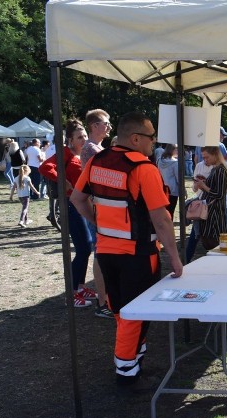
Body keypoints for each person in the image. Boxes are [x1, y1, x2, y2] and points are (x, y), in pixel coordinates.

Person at [72, 111, 184, 384]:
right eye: (151, 138)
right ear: (135, 138)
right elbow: (162, 218)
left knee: (122, 310)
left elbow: (77, 198)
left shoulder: (96, 161)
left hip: (106, 252)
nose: (153, 143)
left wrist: (98, 222)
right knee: (134, 313)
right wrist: (176, 259)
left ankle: (134, 359)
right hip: (138, 255)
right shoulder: (143, 168)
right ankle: (127, 371)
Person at [39, 119, 97, 308]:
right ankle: (71, 293)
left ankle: (79, 287)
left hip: (83, 203)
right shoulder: (66, 153)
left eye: (85, 136)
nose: (83, 139)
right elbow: (45, 167)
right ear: (70, 140)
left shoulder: (84, 154)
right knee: (83, 248)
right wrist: (63, 181)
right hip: (71, 205)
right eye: (79, 137)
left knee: (86, 247)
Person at [80, 109, 114, 319]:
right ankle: (103, 303)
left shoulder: (97, 148)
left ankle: (106, 300)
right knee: (101, 255)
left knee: (104, 254)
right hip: (98, 209)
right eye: (105, 123)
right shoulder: (92, 149)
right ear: (94, 126)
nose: (109, 126)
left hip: (103, 208)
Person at [185, 146, 227, 262]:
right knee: (206, 241)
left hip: (214, 214)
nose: (205, 160)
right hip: (209, 211)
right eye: (203, 157)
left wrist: (203, 186)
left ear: (215, 154)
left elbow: (219, 194)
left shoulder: (220, 170)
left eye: (207, 157)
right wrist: (201, 185)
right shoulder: (216, 169)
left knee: (214, 243)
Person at [157, 143, 181, 217]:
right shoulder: (175, 163)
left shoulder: (159, 160)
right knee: (170, 212)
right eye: (176, 149)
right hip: (172, 190)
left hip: (162, 189)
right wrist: (183, 190)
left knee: (162, 212)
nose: (177, 151)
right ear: (171, 150)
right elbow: (178, 178)